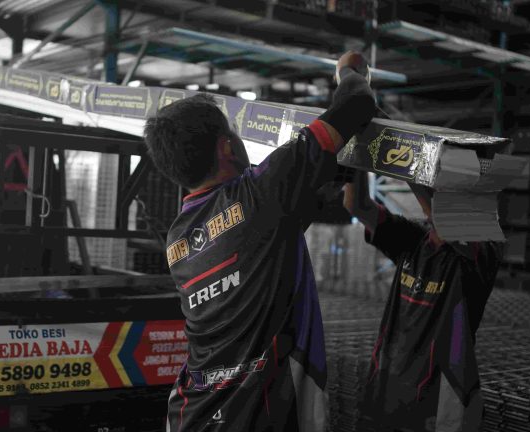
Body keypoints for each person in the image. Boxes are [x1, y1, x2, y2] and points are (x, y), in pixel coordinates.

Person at [143, 51, 376, 431]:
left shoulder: (179, 237)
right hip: (264, 411)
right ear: (227, 147)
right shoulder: (260, 193)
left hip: (193, 411)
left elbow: (299, 211)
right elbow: (357, 102)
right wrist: (349, 69)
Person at [343, 171, 502, 431]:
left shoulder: (481, 252)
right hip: (387, 391)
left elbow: (442, 220)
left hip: (439, 402)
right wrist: (353, 162)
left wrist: (409, 167)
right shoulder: (413, 240)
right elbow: (357, 205)